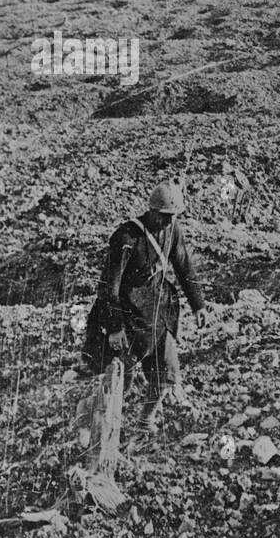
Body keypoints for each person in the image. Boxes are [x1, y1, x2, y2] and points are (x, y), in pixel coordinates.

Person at [82, 181, 212, 431]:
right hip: (127, 316)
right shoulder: (126, 238)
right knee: (121, 379)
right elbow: (109, 286)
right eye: (164, 217)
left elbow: (184, 266)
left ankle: (145, 419)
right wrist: (114, 328)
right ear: (152, 211)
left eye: (172, 217)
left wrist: (199, 305)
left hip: (157, 314)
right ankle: (99, 425)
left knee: (167, 372)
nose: (168, 222)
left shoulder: (173, 231)